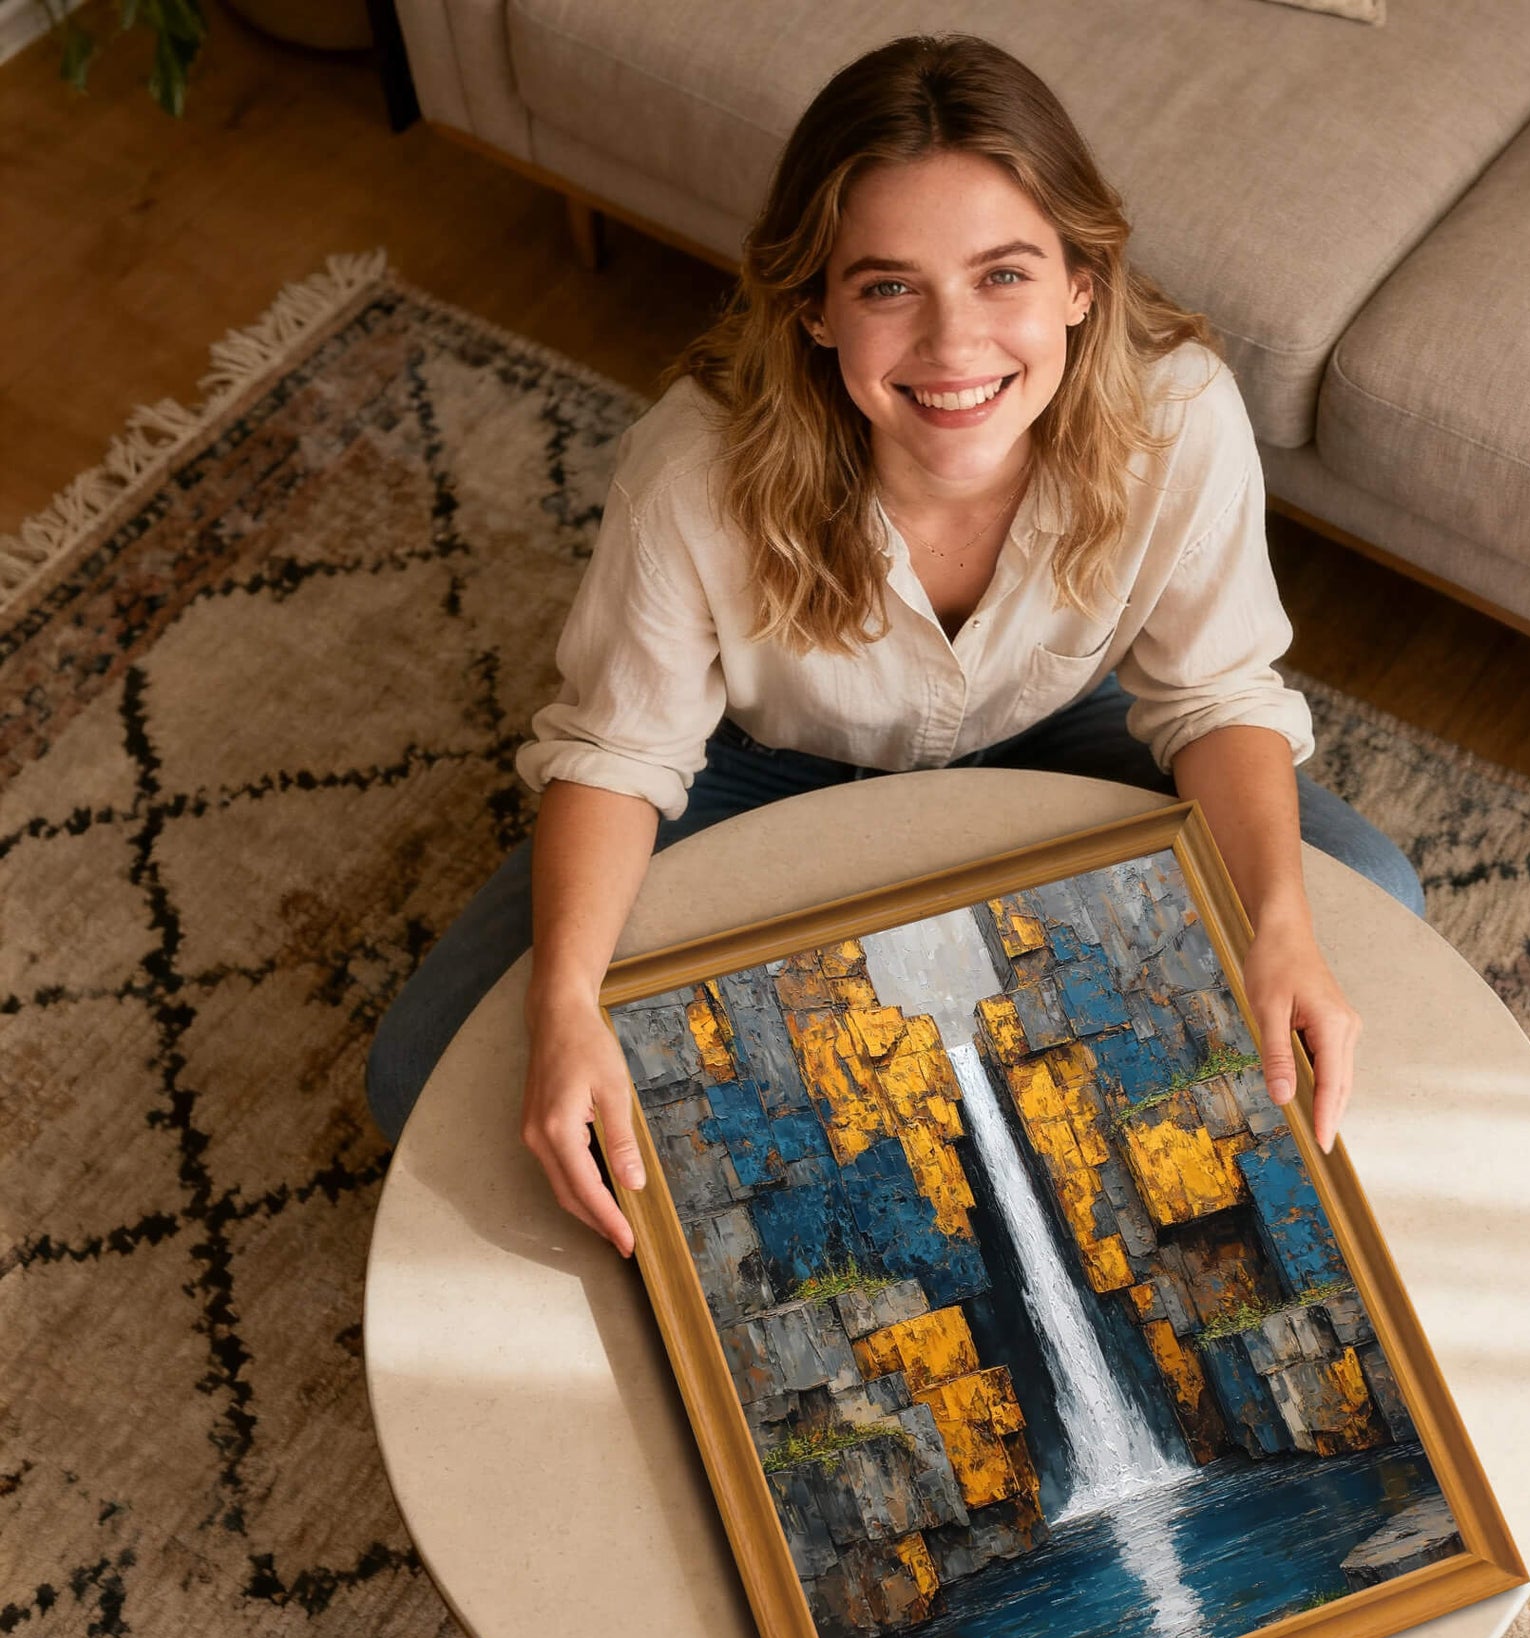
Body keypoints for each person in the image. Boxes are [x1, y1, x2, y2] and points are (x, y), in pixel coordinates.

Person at [364, 33, 1424, 1255]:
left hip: (1057, 735)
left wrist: (1278, 917)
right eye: (886, 287)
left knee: (1363, 897)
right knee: (424, 1073)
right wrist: (563, 1007)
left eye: (1002, 275)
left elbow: (1211, 692)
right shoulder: (691, 475)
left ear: (1081, 281)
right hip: (753, 767)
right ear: (813, 306)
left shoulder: (1179, 416)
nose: (952, 345)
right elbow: (617, 753)